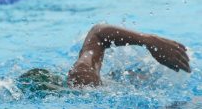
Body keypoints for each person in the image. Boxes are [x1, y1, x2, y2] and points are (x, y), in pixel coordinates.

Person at [18, 24, 191, 93]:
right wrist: (147, 40)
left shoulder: (82, 78)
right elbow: (98, 34)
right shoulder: (83, 81)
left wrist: (149, 41)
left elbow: (99, 33)